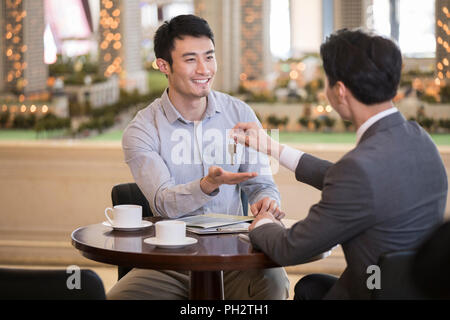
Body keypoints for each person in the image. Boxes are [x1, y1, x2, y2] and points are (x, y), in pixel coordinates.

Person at [231, 29, 448, 299]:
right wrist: (272, 147)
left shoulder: (358, 171)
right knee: (312, 286)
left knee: (308, 288)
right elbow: (350, 180)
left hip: (371, 292)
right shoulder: (419, 139)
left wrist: (262, 223)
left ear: (340, 90)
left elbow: (291, 248)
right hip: (414, 289)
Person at [107, 14, 289, 300]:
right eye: (191, 59)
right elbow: (165, 202)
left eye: (209, 57)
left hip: (233, 257)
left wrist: (268, 203)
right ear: (163, 65)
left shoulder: (239, 114)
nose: (204, 69)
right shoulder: (142, 130)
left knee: (274, 281)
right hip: (169, 260)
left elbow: (261, 185)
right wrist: (206, 185)